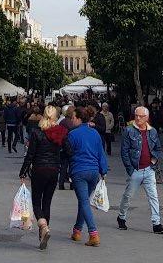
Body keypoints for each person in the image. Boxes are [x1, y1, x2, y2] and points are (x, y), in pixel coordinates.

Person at [20, 104, 71, 251]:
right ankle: (43, 233)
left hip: (39, 170)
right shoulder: (61, 132)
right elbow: (69, 150)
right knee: (46, 202)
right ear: (56, 116)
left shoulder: (37, 132)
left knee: (36, 201)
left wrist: (23, 171)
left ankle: (42, 225)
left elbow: (30, 155)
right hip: (54, 170)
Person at [116, 105, 163, 234]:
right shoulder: (128, 131)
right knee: (128, 196)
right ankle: (121, 217)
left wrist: (153, 162)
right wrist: (130, 170)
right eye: (136, 115)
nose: (138, 118)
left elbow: (158, 148)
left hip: (149, 169)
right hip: (135, 170)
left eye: (141, 116)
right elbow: (124, 151)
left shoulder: (152, 131)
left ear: (147, 118)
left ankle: (156, 223)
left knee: (153, 197)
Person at [67, 104, 108, 245]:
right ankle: (77, 230)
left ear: (79, 119)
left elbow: (68, 154)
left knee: (84, 201)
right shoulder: (95, 133)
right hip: (94, 172)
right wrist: (103, 171)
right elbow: (101, 153)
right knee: (83, 201)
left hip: (79, 171)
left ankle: (93, 233)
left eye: (73, 117)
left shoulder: (72, 134)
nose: (71, 120)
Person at [57, 105, 81, 191]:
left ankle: (61, 183)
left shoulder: (62, 121)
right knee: (71, 166)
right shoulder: (71, 123)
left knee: (63, 166)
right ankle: (72, 184)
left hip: (62, 146)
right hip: (70, 146)